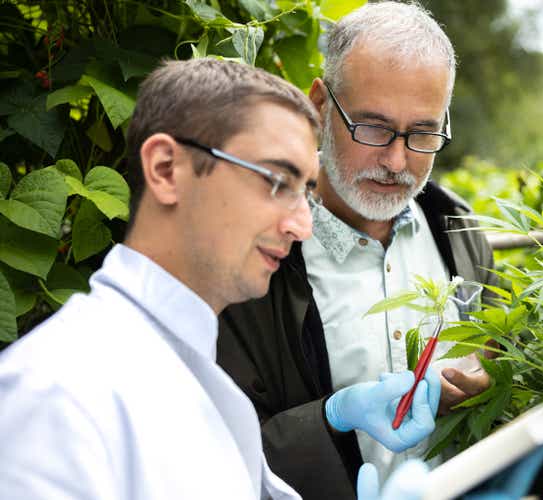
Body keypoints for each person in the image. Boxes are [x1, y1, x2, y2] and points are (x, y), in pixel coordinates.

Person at [0, 58, 441, 500]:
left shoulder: (205, 380)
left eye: (305, 190)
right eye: (275, 182)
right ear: (166, 169)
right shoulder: (55, 391)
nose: (303, 226)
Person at [217, 2, 501, 498]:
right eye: (372, 127)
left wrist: (491, 377)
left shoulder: (459, 233)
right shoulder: (253, 255)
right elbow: (213, 452)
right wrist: (329, 420)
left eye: (422, 132)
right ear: (320, 107)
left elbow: (501, 361)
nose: (396, 160)